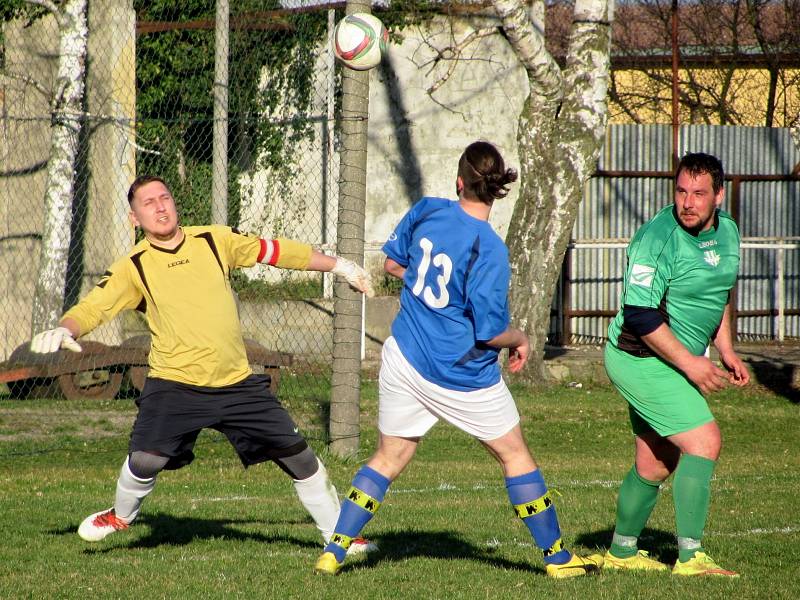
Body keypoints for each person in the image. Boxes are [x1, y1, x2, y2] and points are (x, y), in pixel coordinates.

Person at [30, 175, 376, 554]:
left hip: (237, 383)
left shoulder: (214, 239)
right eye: (149, 203)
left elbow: (274, 251)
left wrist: (340, 266)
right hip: (174, 385)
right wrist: (66, 329)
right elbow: (96, 306)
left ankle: (341, 538)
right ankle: (122, 516)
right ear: (134, 218)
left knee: (301, 458)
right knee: (144, 460)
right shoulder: (134, 266)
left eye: (165, 198)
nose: (160, 207)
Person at [314, 141, 603, 578]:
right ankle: (559, 559)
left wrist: (428, 286)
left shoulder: (429, 209)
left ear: (459, 181)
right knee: (515, 456)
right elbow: (488, 333)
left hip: (406, 358)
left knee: (388, 458)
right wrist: (521, 337)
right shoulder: (489, 248)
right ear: (496, 189)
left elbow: (393, 265)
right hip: (461, 374)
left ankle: (334, 550)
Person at [603, 152, 749, 576]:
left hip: (673, 360)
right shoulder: (657, 238)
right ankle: (690, 557)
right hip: (639, 356)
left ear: (718, 196)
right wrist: (692, 364)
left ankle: (622, 553)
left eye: (699, 193)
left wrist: (726, 349)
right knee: (704, 441)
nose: (688, 202)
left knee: (656, 461)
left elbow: (717, 293)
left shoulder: (729, 234)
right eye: (682, 191)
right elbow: (641, 316)